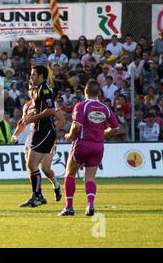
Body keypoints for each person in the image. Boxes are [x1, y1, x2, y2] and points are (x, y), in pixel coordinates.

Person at [59, 80, 122, 217]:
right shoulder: (105, 108)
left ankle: (69, 207)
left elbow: (76, 126)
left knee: (70, 174)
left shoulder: (81, 106)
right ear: (99, 93)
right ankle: (90, 204)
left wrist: (69, 135)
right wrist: (103, 133)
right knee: (90, 177)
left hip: (82, 144)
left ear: (85, 92)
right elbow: (116, 128)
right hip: (98, 146)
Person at [13, 83, 65, 204]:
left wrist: (52, 134)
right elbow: (23, 123)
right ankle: (39, 195)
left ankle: (56, 185)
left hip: (46, 137)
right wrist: (15, 135)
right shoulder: (27, 106)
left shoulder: (49, 104)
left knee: (45, 168)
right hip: (32, 137)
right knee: (31, 168)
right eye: (31, 89)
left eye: (34, 89)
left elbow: (61, 120)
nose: (32, 91)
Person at [19, 66, 57, 208]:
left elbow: (51, 110)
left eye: (33, 75)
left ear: (41, 76)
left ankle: (37, 196)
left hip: (45, 131)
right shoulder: (37, 89)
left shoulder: (44, 89)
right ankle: (37, 196)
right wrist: (28, 118)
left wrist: (33, 118)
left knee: (32, 164)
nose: (31, 77)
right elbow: (40, 109)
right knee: (31, 165)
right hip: (39, 130)